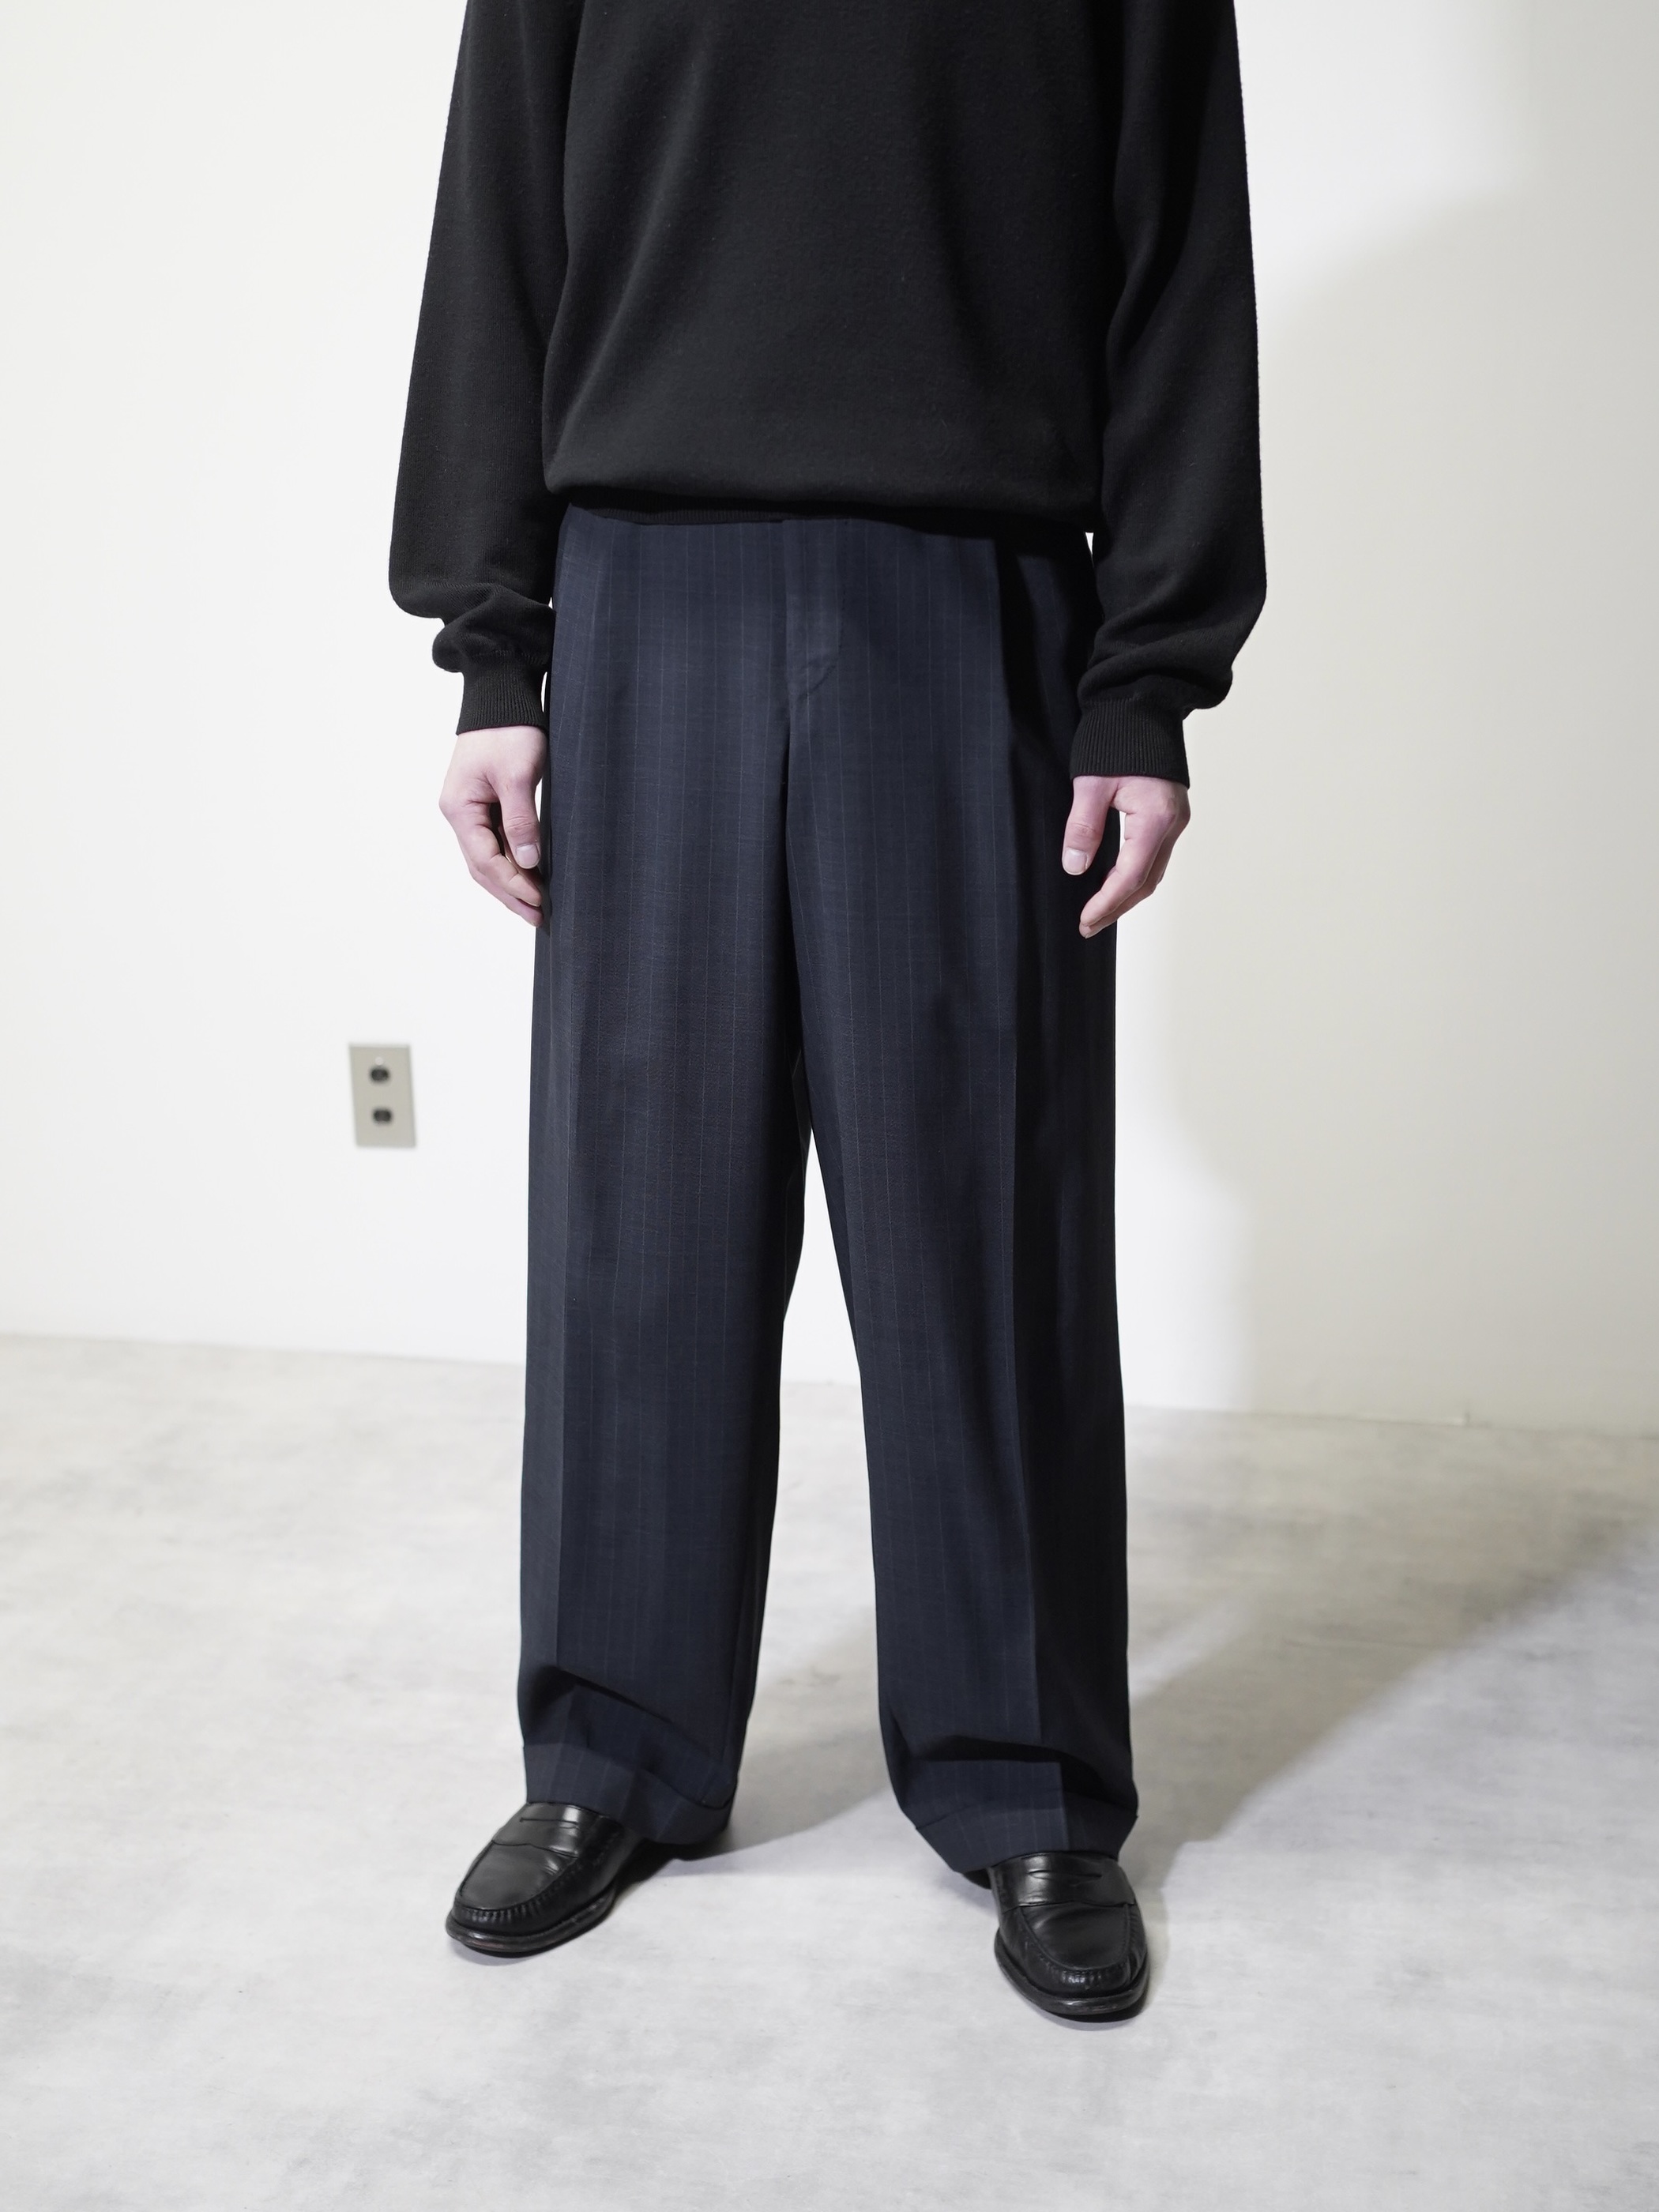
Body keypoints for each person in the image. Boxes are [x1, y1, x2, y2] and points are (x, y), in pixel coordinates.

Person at [390, 0, 1263, 2022]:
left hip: (978, 589)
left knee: (985, 1225)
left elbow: (1176, 263)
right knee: (644, 1221)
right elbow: (500, 223)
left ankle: (1031, 1781)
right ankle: (609, 1750)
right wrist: (495, 651)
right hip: (645, 574)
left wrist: (1148, 678)